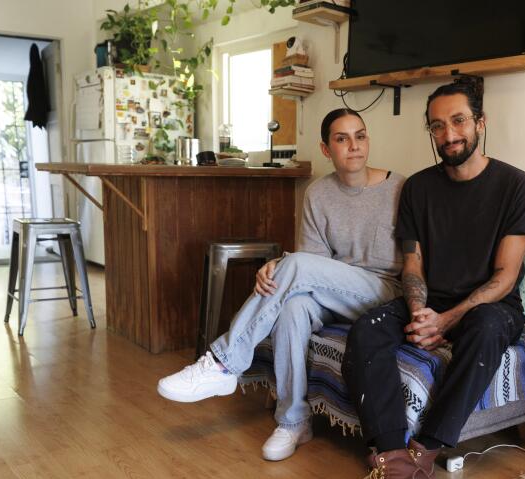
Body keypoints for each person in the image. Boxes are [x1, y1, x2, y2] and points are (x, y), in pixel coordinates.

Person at [339, 77, 525, 479]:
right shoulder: (419, 189)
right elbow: (413, 265)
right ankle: (394, 461)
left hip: (489, 306)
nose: (449, 134)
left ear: (480, 123)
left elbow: (506, 277)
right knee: (366, 328)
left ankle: (425, 453)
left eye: (458, 121)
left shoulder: (516, 186)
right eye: (437, 126)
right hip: (432, 301)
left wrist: (447, 321)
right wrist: (419, 312)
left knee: (488, 326)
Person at [156, 109, 406, 461]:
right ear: (325, 148)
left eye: (360, 136)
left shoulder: (399, 188)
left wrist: (287, 264)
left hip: (383, 292)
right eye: (342, 138)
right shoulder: (318, 194)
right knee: (292, 307)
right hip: (334, 292)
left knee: (295, 266)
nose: (354, 146)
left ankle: (223, 363)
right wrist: (285, 266)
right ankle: (293, 420)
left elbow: (414, 260)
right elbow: (315, 263)